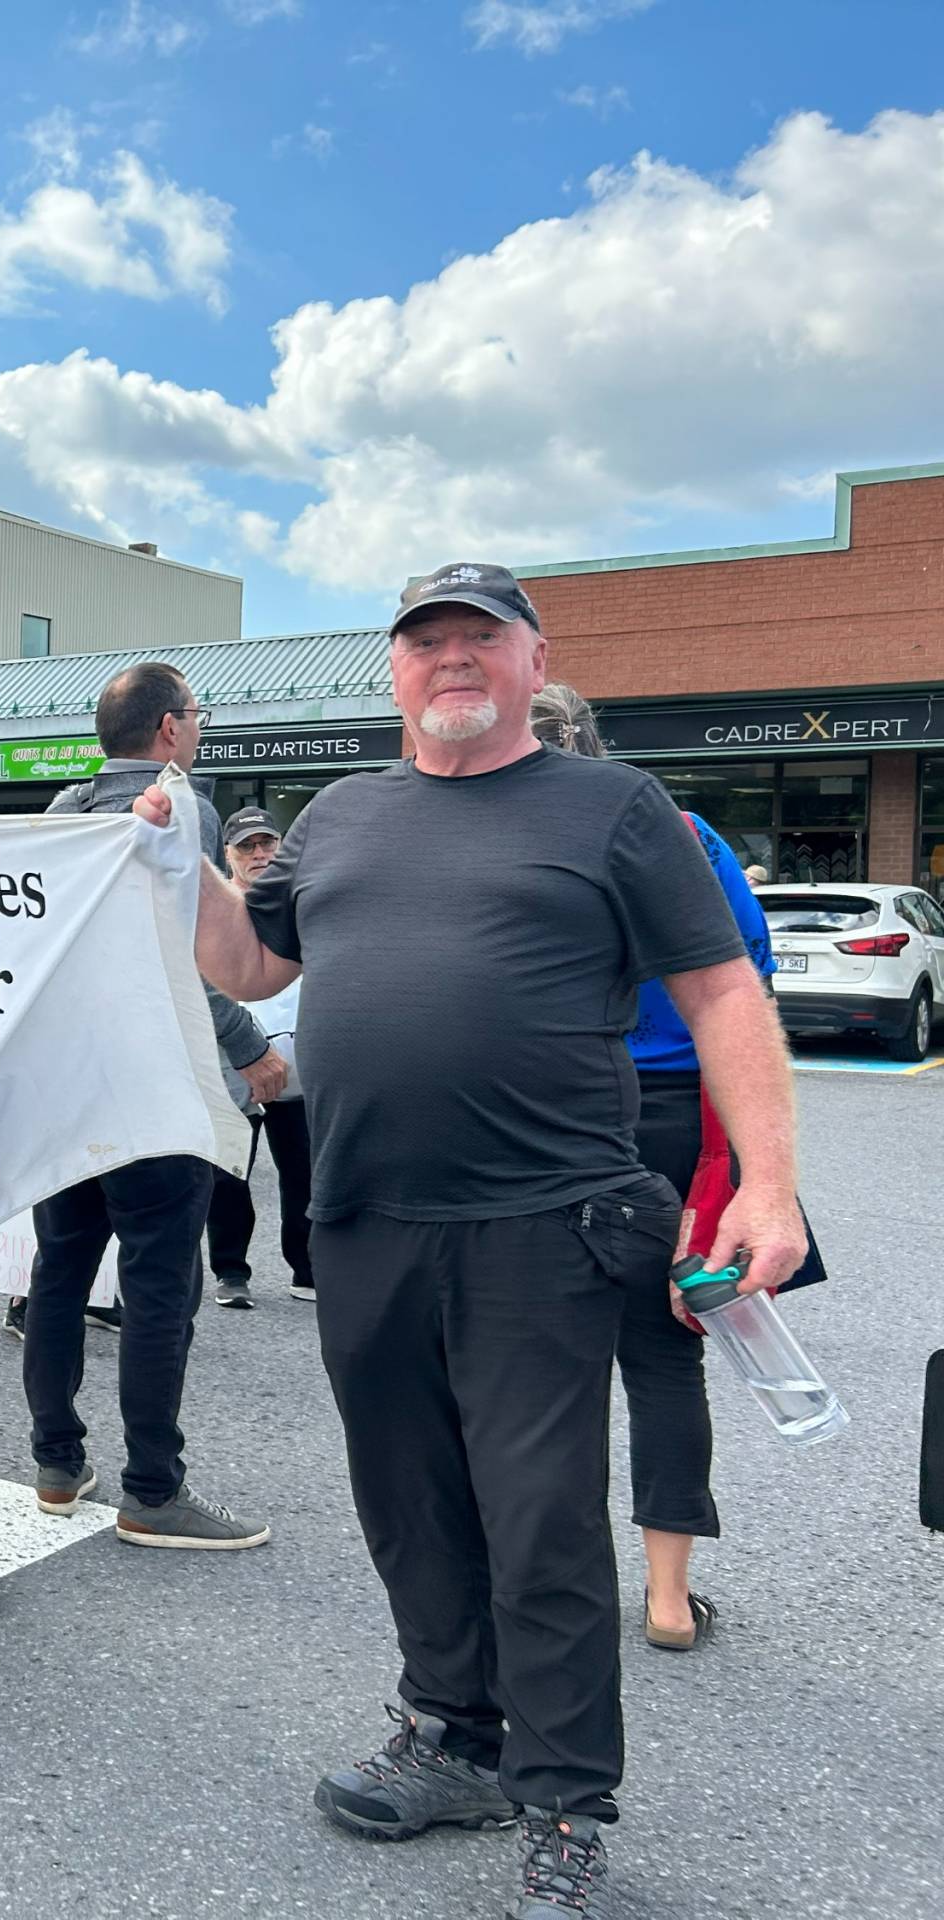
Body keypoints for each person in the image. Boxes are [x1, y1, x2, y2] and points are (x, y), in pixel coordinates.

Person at [146, 563, 806, 1920]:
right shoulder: (340, 816)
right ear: (394, 672)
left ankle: (564, 1801)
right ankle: (453, 1735)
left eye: (479, 639)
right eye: (427, 641)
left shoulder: (613, 810)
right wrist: (181, 866)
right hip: (364, 1219)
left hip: (543, 1225)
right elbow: (252, 970)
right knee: (409, 1503)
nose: (453, 660)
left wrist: (769, 1185)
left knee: (539, 1516)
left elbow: (723, 987)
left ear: (529, 659)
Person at [531, 682, 777, 1654]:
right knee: (664, 1355)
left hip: (552, 1115)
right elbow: (745, 982)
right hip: (676, 1117)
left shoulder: (513, 848)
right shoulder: (679, 834)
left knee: (543, 1359)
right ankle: (668, 1600)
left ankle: (548, 1577)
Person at [17, 663, 274, 1551]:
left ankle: (57, 1463)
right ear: (169, 730)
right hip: (154, 1080)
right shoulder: (181, 807)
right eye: (196, 718)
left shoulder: (61, 813)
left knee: (59, 1269)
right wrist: (251, 1047)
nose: (196, 733)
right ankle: (153, 1489)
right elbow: (185, 960)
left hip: (69, 1086)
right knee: (160, 1285)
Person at [205, 807, 315, 1307]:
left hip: (297, 1066)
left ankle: (307, 1271)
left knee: (306, 1175)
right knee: (230, 1173)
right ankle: (231, 1271)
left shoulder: (301, 904)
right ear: (228, 855)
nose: (260, 854)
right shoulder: (218, 909)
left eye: (267, 843)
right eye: (247, 847)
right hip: (235, 1062)